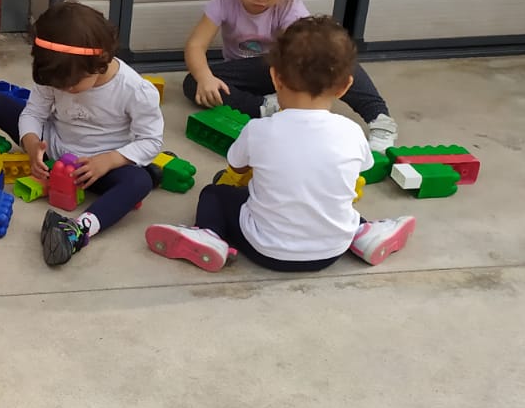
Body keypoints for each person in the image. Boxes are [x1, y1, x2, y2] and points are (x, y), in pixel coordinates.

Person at [147, 15, 416, 273]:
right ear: (345, 87)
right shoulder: (353, 131)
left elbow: (236, 169)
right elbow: (357, 172)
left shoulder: (259, 129)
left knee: (215, 193)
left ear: (275, 78)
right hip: (333, 250)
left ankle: (210, 235)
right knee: (328, 198)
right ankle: (363, 233)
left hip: (266, 249)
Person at [0, 0, 163, 267]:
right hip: (53, 145)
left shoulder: (134, 90)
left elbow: (150, 140)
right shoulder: (57, 73)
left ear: (101, 60)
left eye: (72, 85)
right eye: (57, 85)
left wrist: (110, 160)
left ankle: (77, 230)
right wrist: (32, 141)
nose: (65, 90)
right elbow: (34, 112)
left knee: (139, 182)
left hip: (94, 168)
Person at [182, 0, 398, 151]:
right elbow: (195, 45)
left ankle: (379, 117)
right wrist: (205, 78)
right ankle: (265, 108)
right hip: (250, 73)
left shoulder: (289, 5)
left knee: (336, 55)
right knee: (193, 82)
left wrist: (299, 86)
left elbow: (300, 53)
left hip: (286, 69)